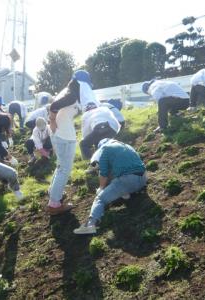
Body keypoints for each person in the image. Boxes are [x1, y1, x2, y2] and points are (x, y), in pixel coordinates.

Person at [46, 69, 99, 215]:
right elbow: (54, 106)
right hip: (64, 135)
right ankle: (54, 205)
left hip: (60, 133)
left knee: (61, 166)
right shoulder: (72, 94)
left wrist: (53, 122)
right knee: (65, 169)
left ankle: (53, 193)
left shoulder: (68, 91)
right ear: (81, 84)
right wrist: (52, 120)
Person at [74, 139, 147, 234]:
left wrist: (101, 188)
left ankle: (91, 225)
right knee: (118, 180)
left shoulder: (105, 149)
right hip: (143, 178)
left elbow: (103, 174)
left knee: (100, 199)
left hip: (128, 181)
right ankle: (127, 193)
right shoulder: (125, 145)